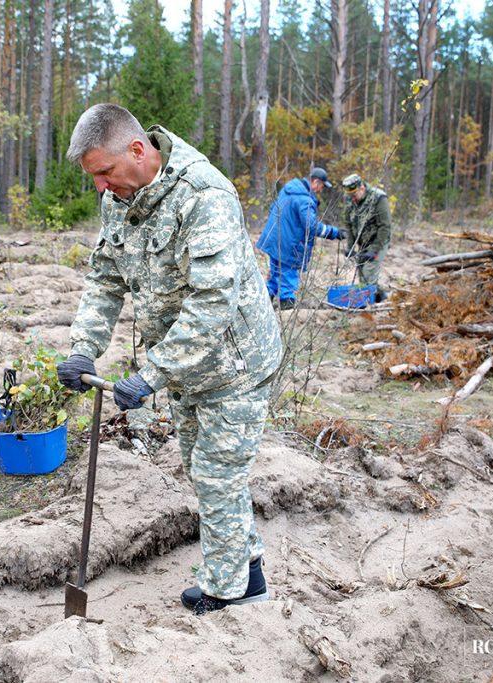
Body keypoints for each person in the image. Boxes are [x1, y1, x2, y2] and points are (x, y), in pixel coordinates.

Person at [55, 103, 283, 615]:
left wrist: (151, 374)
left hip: (236, 365)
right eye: (94, 178)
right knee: (203, 471)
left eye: (105, 172)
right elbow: (105, 277)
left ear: (138, 150)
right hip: (186, 369)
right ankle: (245, 566)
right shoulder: (119, 198)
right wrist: (83, 347)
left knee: (217, 474)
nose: (100, 187)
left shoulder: (204, 196)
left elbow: (211, 304)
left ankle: (233, 591)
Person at [254, 168, 346, 309]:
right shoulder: (304, 200)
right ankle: (287, 310)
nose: (321, 190)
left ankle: (261, 306)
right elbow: (312, 227)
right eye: (322, 186)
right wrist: (334, 232)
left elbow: (273, 208)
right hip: (288, 245)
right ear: (315, 182)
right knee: (288, 278)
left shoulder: (288, 190)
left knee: (275, 274)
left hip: (275, 240)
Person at [341, 173, 392, 302]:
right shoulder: (349, 199)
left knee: (369, 272)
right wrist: (350, 247)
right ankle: (381, 297)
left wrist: (374, 250)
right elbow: (349, 225)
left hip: (378, 240)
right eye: (350, 195)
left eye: (354, 195)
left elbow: (385, 226)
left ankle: (371, 305)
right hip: (363, 242)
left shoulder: (378, 198)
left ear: (362, 188)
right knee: (362, 275)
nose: (352, 198)